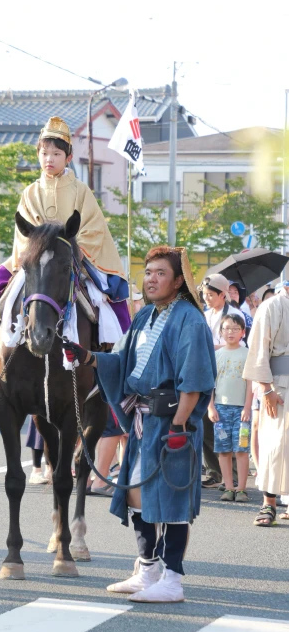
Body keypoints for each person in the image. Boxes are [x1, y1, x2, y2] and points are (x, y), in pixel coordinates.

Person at [65, 246, 216, 603]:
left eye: (161, 273)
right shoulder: (145, 316)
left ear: (179, 281)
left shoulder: (190, 320)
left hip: (172, 423)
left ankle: (173, 578)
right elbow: (121, 361)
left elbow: (194, 381)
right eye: (148, 272)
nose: (151, 278)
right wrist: (88, 357)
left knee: (173, 499)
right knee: (135, 493)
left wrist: (179, 427)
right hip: (141, 422)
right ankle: (148, 570)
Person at [0, 116, 130, 360]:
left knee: (109, 293)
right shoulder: (30, 192)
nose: (50, 159)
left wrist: (71, 250)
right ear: (38, 154)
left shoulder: (81, 191)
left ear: (68, 158)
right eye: (45, 153)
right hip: (36, 259)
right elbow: (24, 232)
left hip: (73, 257)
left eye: (57, 154)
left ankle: (122, 345)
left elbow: (93, 228)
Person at [243, 282, 289, 527]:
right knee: (275, 445)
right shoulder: (272, 305)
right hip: (279, 386)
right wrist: (266, 388)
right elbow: (258, 350)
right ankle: (268, 502)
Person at [200, 274, 245, 490]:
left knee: (231, 426)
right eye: (204, 294)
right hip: (208, 371)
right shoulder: (205, 315)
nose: (206, 298)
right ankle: (214, 472)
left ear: (222, 294)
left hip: (229, 375)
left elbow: (238, 345)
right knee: (208, 422)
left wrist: (212, 349)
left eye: (210, 295)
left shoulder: (235, 315)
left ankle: (233, 476)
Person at [207, 314, 253, 502]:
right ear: (221, 331)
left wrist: (248, 408)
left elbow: (250, 384)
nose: (230, 332)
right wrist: (211, 407)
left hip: (241, 410)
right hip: (221, 409)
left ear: (243, 332)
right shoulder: (216, 355)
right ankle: (228, 487)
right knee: (224, 450)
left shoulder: (247, 354)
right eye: (226, 328)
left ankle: (241, 488)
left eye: (235, 329)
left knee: (241, 450)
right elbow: (211, 384)